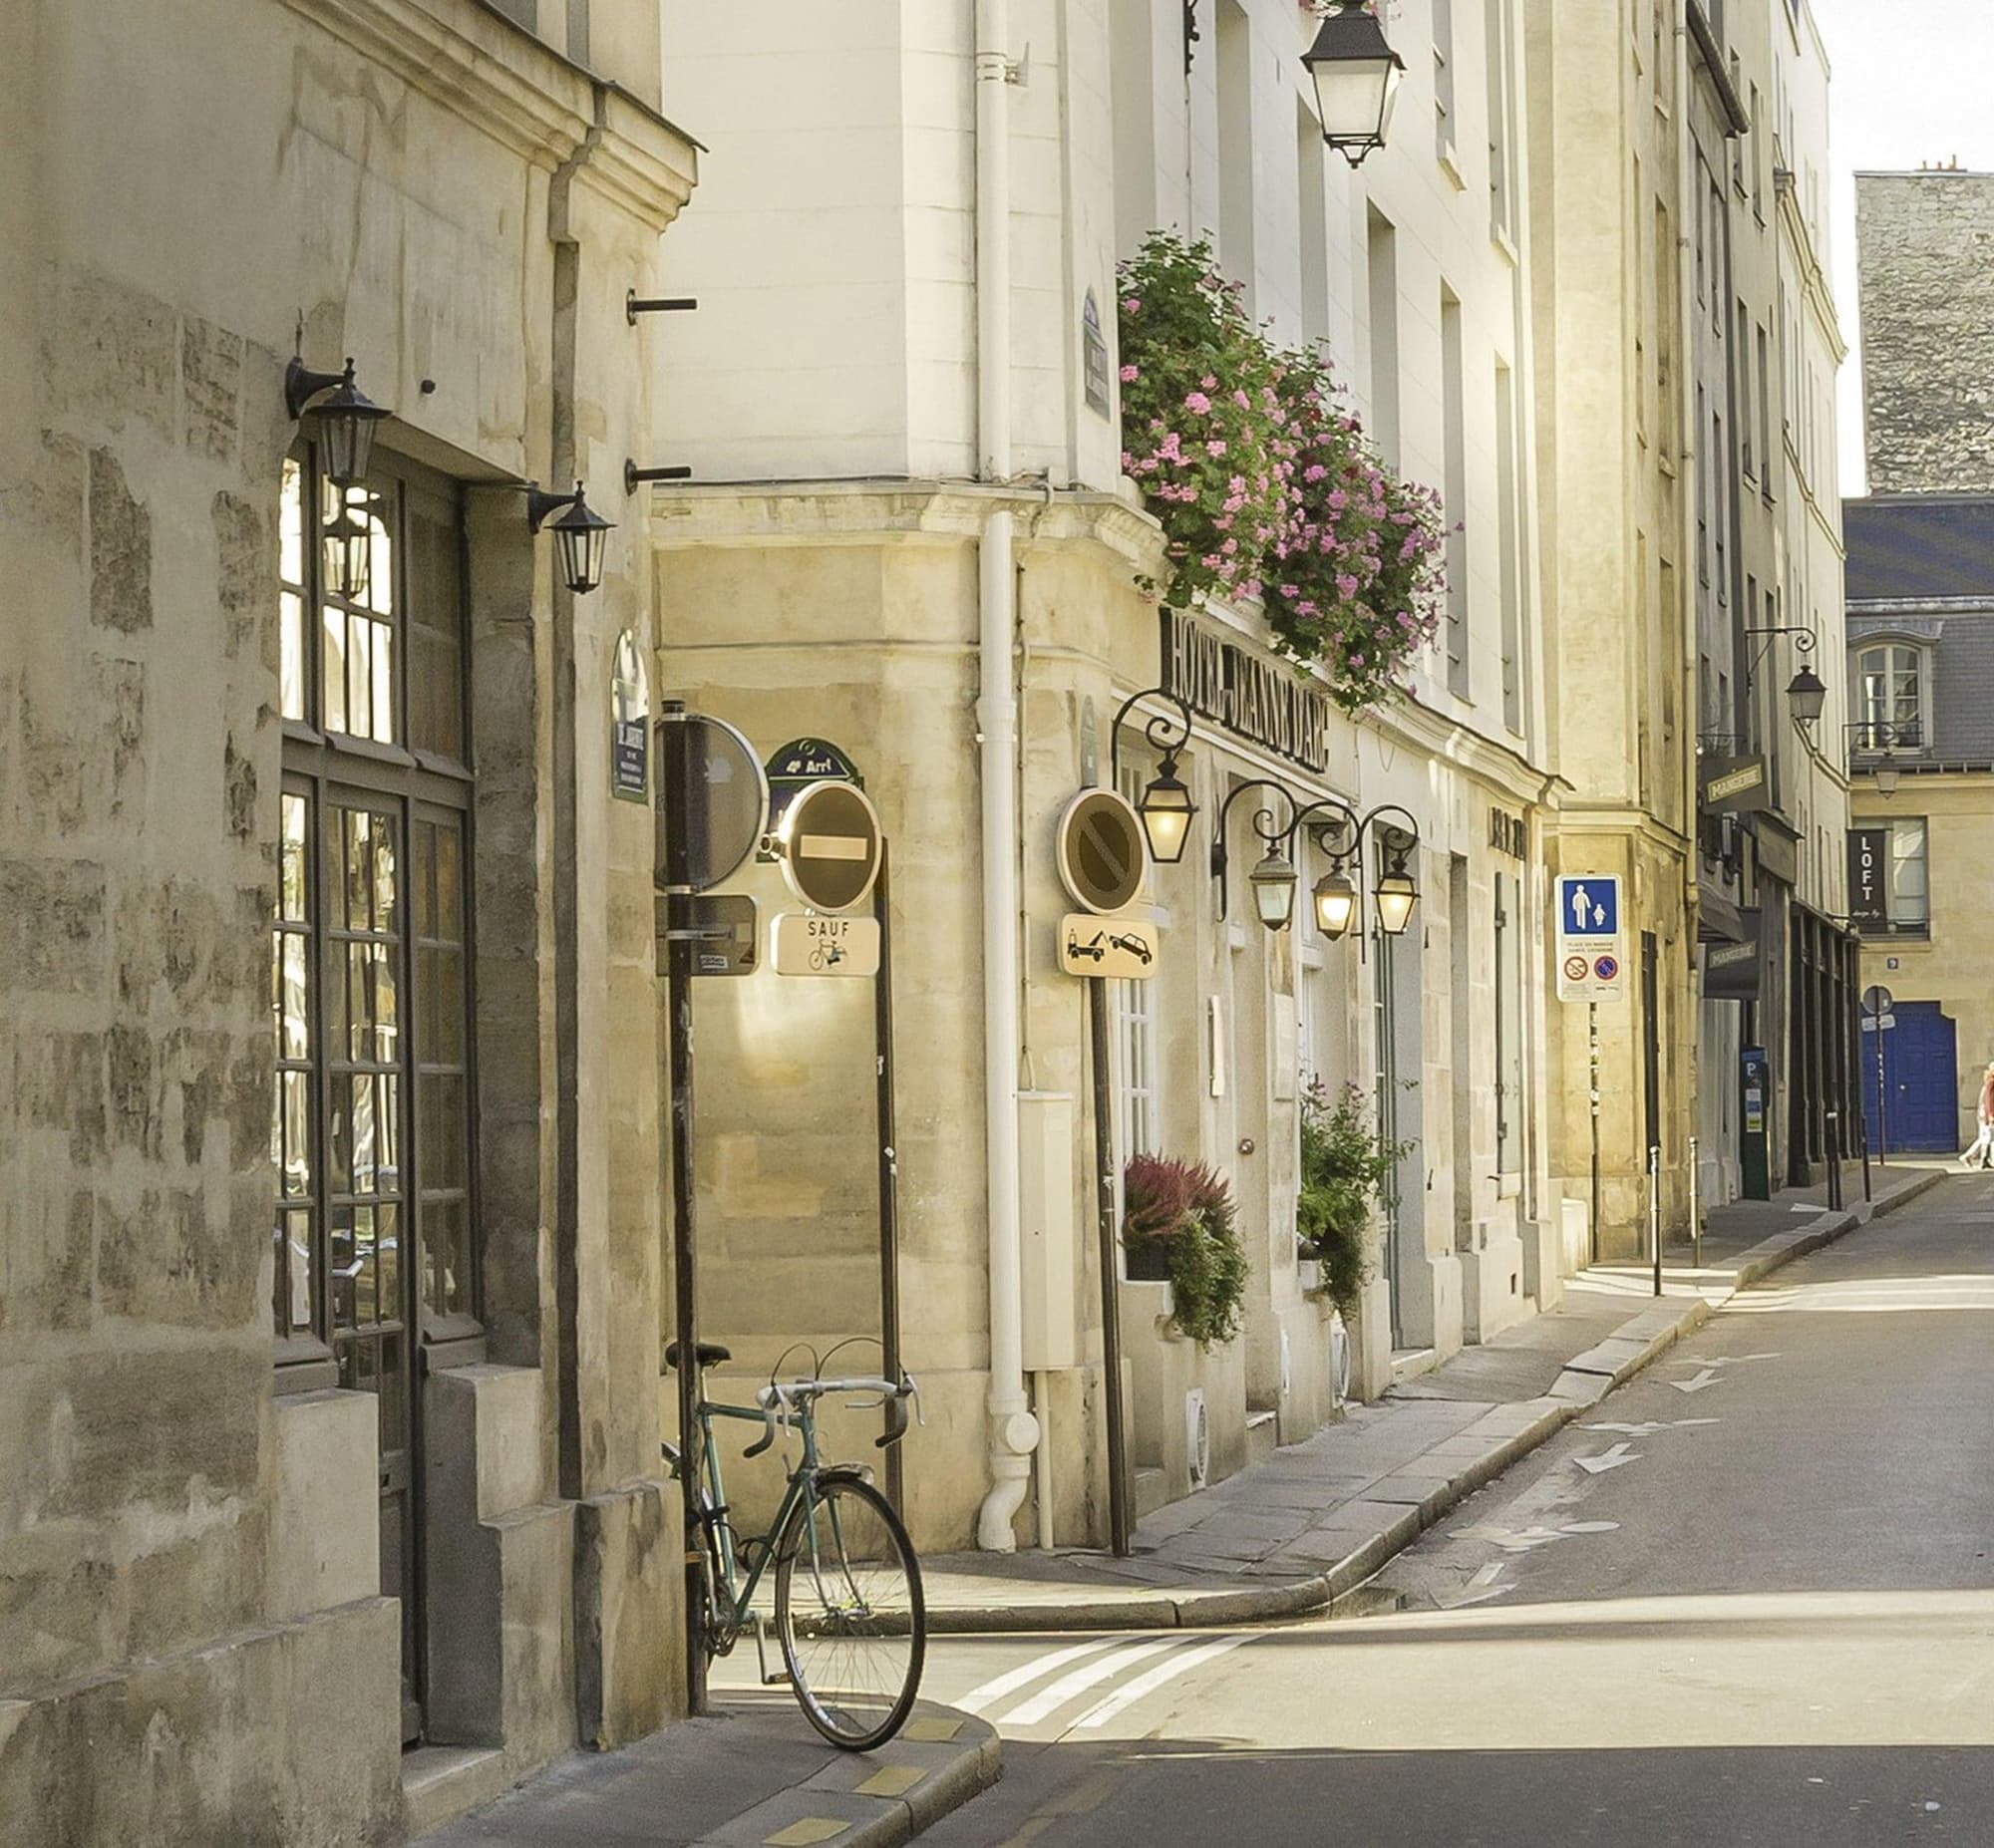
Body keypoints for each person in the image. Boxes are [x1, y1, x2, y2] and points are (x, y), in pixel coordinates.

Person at [1965, 1062, 1994, 1169]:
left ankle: (1983, 1159)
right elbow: (1988, 1100)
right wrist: (1990, 1114)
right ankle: (1969, 1156)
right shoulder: (1991, 1082)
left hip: (1985, 1114)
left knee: (1986, 1138)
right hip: (1986, 1115)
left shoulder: (1989, 1082)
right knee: (1988, 1138)